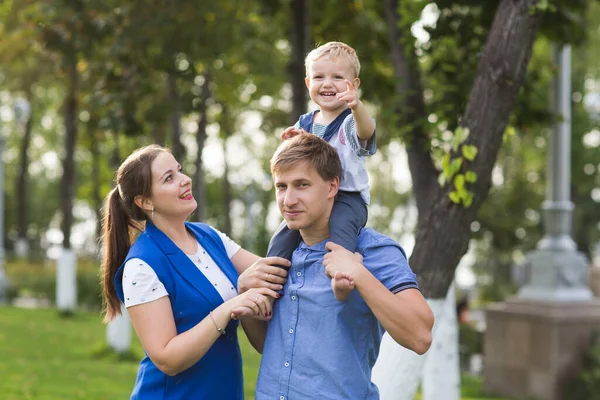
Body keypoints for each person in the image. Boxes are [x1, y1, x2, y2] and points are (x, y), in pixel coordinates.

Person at [99, 144, 290, 400]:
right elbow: (167, 359)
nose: (184, 180)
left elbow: (274, 272)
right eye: (169, 178)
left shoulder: (209, 236)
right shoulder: (141, 266)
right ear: (145, 202)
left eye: (179, 171)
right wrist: (227, 308)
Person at [254, 134, 434, 400]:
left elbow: (420, 336)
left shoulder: (374, 250)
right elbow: (269, 347)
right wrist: (248, 299)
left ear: (332, 187)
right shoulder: (282, 255)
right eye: (281, 187)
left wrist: (358, 273)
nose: (288, 200)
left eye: (302, 185)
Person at [267, 41, 377, 302]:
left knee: (339, 228)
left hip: (347, 197)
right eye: (319, 77)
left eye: (338, 77)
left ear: (354, 84)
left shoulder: (350, 120)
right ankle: (270, 283)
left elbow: (367, 132)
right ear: (308, 83)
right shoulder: (306, 121)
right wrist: (292, 139)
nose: (327, 84)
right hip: (313, 197)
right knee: (282, 236)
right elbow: (298, 157)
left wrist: (357, 107)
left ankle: (342, 277)